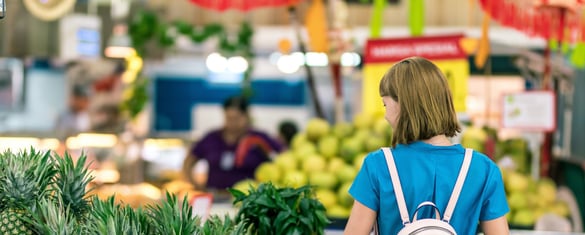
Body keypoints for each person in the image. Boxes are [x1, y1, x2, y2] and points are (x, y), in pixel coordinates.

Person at [344, 57, 509, 235]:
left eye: (386, 105)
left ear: (404, 106)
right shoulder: (482, 169)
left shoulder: (378, 165)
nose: (385, 116)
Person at [182, 95, 284, 191]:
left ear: (247, 116)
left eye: (237, 118)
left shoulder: (259, 138)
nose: (232, 123)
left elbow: (283, 156)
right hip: (215, 197)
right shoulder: (212, 138)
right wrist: (195, 185)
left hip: (249, 200)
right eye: (229, 118)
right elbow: (189, 161)